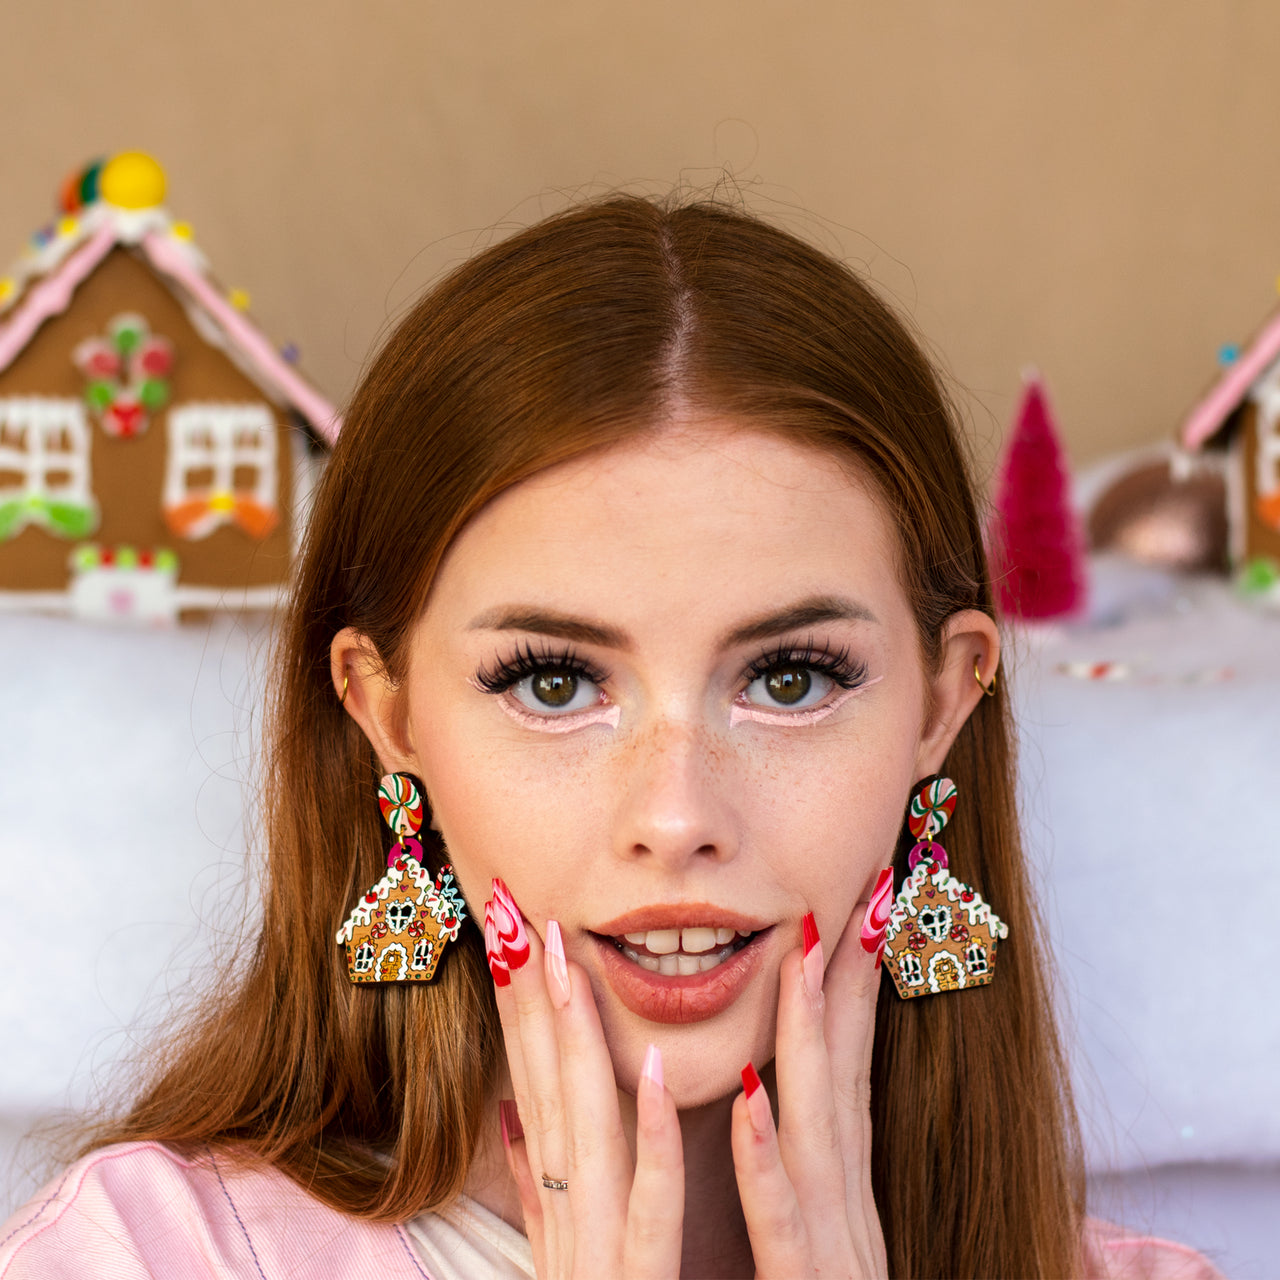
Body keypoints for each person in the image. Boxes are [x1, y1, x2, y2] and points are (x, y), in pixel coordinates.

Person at [0, 196, 1222, 1279]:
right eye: (549, 681)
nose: (676, 816)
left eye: (790, 678)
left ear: (942, 704)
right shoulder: (145, 1254)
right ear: (386, 712)